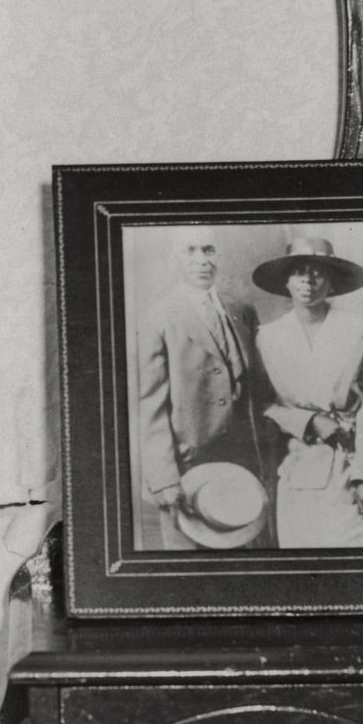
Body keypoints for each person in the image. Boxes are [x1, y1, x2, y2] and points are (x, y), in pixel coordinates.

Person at [253, 237, 363, 547]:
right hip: (301, 469)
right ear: (286, 282)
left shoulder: (362, 330)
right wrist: (307, 421)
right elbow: (261, 404)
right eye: (299, 272)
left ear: (332, 282)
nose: (308, 281)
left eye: (318, 272)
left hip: (354, 464)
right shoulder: (267, 338)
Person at [137, 225, 265, 548]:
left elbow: (256, 392)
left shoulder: (241, 312)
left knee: (243, 566)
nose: (202, 260)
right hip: (186, 474)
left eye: (208, 250)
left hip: (241, 468)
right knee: (190, 568)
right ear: (174, 259)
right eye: (189, 251)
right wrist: (164, 479)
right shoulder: (159, 316)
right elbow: (149, 406)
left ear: (219, 255)